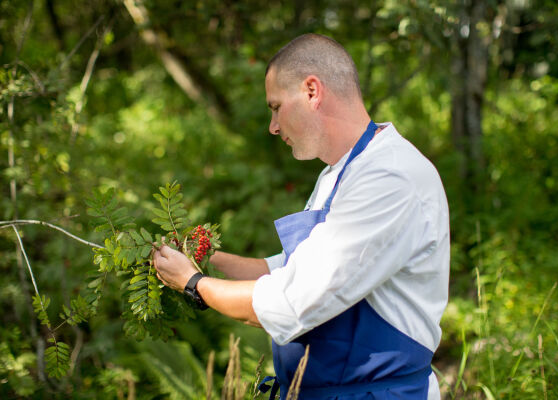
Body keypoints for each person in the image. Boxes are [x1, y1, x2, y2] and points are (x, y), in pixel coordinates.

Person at [153, 33, 449, 399]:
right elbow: (290, 269)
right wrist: (204, 256)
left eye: (275, 107)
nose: (273, 126)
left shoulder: (389, 177)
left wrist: (193, 283)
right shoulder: (339, 174)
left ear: (312, 91)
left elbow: (290, 303)